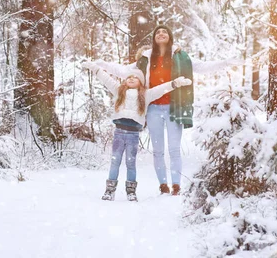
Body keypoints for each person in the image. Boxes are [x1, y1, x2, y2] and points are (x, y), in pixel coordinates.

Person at [95, 24, 237, 196]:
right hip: (153, 108)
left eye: (164, 32)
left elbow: (202, 66)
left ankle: (176, 185)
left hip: (174, 107)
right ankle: (163, 185)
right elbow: (123, 71)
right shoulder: (145, 59)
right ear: (154, 38)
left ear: (170, 37)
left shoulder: (180, 57)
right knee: (158, 150)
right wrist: (102, 64)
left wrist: (226, 63)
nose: (161, 34)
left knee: (174, 149)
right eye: (158, 32)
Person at [82, 60, 192, 201]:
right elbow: (105, 77)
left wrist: (175, 83)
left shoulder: (146, 95)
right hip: (119, 133)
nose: (132, 78)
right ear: (125, 81)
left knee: (130, 163)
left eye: (135, 77)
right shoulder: (118, 90)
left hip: (133, 134)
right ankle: (110, 190)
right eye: (129, 77)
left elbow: (161, 89)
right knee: (115, 162)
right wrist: (93, 67)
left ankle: (131, 191)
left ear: (141, 82)